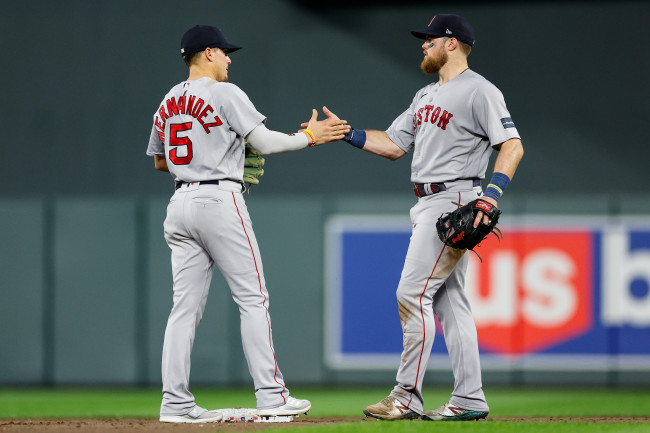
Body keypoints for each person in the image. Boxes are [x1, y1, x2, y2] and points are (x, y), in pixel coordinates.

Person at [146, 24, 349, 424]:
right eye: (223, 52)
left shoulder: (168, 100)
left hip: (179, 201)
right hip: (219, 200)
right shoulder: (225, 93)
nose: (229, 58)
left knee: (183, 309)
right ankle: (272, 396)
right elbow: (270, 143)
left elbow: (159, 160)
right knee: (253, 299)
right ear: (207, 53)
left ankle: (174, 403)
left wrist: (209, 153)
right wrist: (310, 136)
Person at [329, 14, 524, 421]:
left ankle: (405, 396)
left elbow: (512, 146)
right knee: (452, 304)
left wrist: (490, 196)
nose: (423, 44)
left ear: (451, 44)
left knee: (411, 294)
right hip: (427, 201)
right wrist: (347, 133)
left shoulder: (480, 91)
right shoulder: (424, 96)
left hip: (455, 197)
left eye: (430, 39)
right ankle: (470, 398)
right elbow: (393, 144)